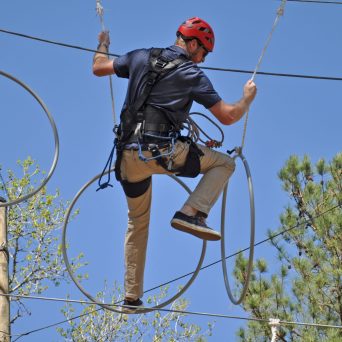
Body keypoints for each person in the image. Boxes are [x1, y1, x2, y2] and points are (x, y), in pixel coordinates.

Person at [93, 17, 257, 309]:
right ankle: (190, 212)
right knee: (224, 164)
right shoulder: (191, 73)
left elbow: (98, 67)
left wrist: (103, 43)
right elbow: (228, 116)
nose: (204, 59)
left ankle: (132, 297)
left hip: (128, 157)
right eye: (204, 52)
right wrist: (246, 100)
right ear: (193, 44)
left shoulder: (140, 56)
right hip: (163, 152)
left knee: (137, 222)